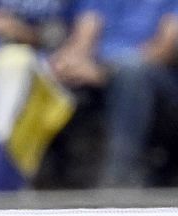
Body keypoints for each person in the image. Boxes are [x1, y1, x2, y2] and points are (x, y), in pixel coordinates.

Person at [48, 0, 178, 187]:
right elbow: (84, 37)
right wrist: (71, 61)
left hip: (158, 79)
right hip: (100, 72)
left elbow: (164, 50)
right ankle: (33, 182)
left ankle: (119, 178)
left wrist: (105, 73)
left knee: (131, 73)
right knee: (51, 68)